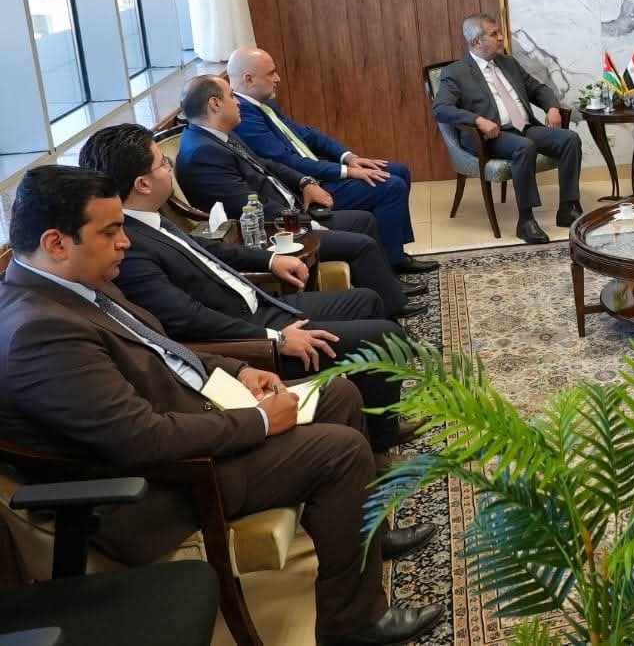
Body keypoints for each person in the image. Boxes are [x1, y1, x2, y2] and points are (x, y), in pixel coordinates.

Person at [0, 166, 442, 645]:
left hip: (199, 417)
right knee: (341, 452)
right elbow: (139, 439)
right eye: (110, 232)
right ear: (56, 242)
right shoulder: (38, 331)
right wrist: (259, 421)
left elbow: (165, 348)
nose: (125, 242)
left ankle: (364, 533)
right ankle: (353, 626)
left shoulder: (77, 283)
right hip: (170, 480)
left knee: (338, 393)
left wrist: (237, 370)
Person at [79, 123, 414, 453]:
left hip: (257, 306)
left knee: (367, 301)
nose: (170, 168)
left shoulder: (149, 218)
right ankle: (379, 444)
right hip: (246, 337)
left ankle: (375, 420)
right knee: (384, 336)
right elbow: (185, 318)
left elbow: (208, 249)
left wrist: (270, 260)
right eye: (163, 163)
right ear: (142, 183)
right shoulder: (130, 246)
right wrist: (275, 339)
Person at [174, 75, 423, 319]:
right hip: (273, 232)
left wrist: (305, 181)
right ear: (215, 104)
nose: (237, 101)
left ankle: (385, 290)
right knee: (362, 244)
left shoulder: (219, 136)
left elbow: (267, 165)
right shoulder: (203, 153)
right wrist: (306, 223)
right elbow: (247, 206)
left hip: (290, 210)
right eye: (231, 96)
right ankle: (389, 311)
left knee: (363, 220)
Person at [228, 46, 437, 275]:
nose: (278, 78)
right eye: (271, 73)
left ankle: (394, 252)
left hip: (317, 170)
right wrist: (346, 171)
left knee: (398, 170)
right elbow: (286, 161)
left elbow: (307, 134)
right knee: (391, 186)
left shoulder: (264, 104)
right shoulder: (244, 117)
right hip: (305, 186)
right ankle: (390, 264)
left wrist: (349, 157)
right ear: (249, 78)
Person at [431, 13, 583, 244]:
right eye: (494, 34)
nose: (501, 38)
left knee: (570, 139)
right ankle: (526, 220)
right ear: (476, 41)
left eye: (499, 32)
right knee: (525, 147)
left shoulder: (508, 63)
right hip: (490, 136)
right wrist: (478, 120)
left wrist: (552, 107)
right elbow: (441, 109)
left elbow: (538, 89)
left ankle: (568, 208)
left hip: (524, 127)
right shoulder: (456, 72)